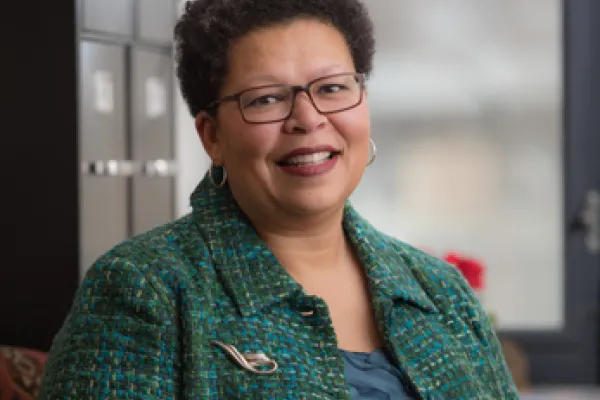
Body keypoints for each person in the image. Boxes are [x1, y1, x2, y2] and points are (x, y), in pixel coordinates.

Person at [39, 0, 519, 398]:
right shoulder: (144, 290)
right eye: (267, 98)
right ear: (212, 137)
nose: (308, 119)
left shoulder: (441, 290)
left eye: (332, 88)